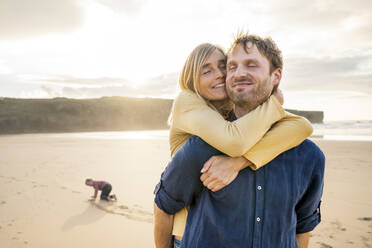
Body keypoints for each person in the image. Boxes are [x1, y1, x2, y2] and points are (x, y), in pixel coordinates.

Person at [154, 32, 325, 248]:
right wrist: (274, 104)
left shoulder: (309, 156)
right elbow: (163, 204)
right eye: (232, 67)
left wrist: (240, 161)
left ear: (276, 76)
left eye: (224, 67)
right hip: (184, 230)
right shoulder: (194, 123)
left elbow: (302, 125)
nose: (226, 74)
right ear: (192, 79)